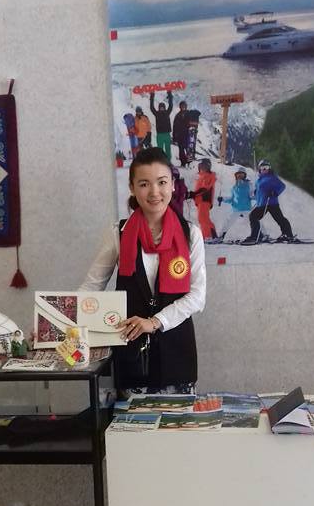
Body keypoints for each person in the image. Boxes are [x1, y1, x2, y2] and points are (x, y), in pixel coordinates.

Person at [80, 147, 206, 393]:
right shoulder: (119, 233)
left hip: (177, 351)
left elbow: (197, 296)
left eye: (162, 182)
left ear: (172, 185)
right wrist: (54, 324)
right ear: (132, 188)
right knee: (128, 417)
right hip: (131, 353)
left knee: (177, 417)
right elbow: (91, 286)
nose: (154, 192)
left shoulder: (190, 234)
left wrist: (155, 322)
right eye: (144, 184)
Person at [242, 158, 294, 244]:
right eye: (262, 168)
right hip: (262, 204)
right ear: (259, 169)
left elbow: (282, 186)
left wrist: (275, 192)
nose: (264, 169)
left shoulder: (272, 177)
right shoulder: (259, 180)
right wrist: (256, 193)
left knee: (279, 219)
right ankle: (258, 236)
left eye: (266, 167)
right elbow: (260, 193)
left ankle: (287, 235)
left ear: (269, 168)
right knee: (253, 216)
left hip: (271, 203)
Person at [217, 169, 252, 240]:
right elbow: (231, 199)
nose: (239, 176)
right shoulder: (234, 187)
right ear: (236, 176)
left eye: (241, 174)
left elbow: (252, 196)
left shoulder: (248, 185)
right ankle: (221, 236)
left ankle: (262, 234)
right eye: (238, 174)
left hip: (246, 209)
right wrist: (222, 199)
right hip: (236, 209)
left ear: (245, 175)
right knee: (228, 222)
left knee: (254, 220)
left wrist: (258, 195)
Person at [189, 158, 217, 241]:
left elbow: (205, 188)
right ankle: (213, 236)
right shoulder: (201, 176)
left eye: (205, 166)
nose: (202, 168)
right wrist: (192, 195)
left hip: (204, 199)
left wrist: (194, 194)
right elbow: (200, 189)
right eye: (201, 166)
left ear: (209, 167)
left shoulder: (208, 175)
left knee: (202, 218)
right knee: (204, 218)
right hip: (200, 200)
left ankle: (207, 236)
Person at [150, 91, 173, 160]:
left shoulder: (167, 112)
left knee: (168, 148)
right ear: (159, 108)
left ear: (164, 108)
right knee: (160, 149)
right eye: (160, 107)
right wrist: (152, 96)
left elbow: (171, 105)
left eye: (163, 107)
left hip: (167, 134)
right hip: (160, 135)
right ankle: (161, 161)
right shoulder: (156, 113)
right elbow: (152, 107)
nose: (162, 108)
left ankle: (168, 161)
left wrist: (169, 95)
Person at [173, 100, 190, 167]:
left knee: (188, 149)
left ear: (186, 106)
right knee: (181, 150)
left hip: (187, 135)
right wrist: (174, 137)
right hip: (180, 135)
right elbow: (174, 127)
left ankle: (189, 162)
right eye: (182, 106)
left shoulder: (189, 114)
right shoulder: (177, 115)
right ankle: (183, 163)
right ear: (180, 107)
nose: (183, 107)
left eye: (184, 106)